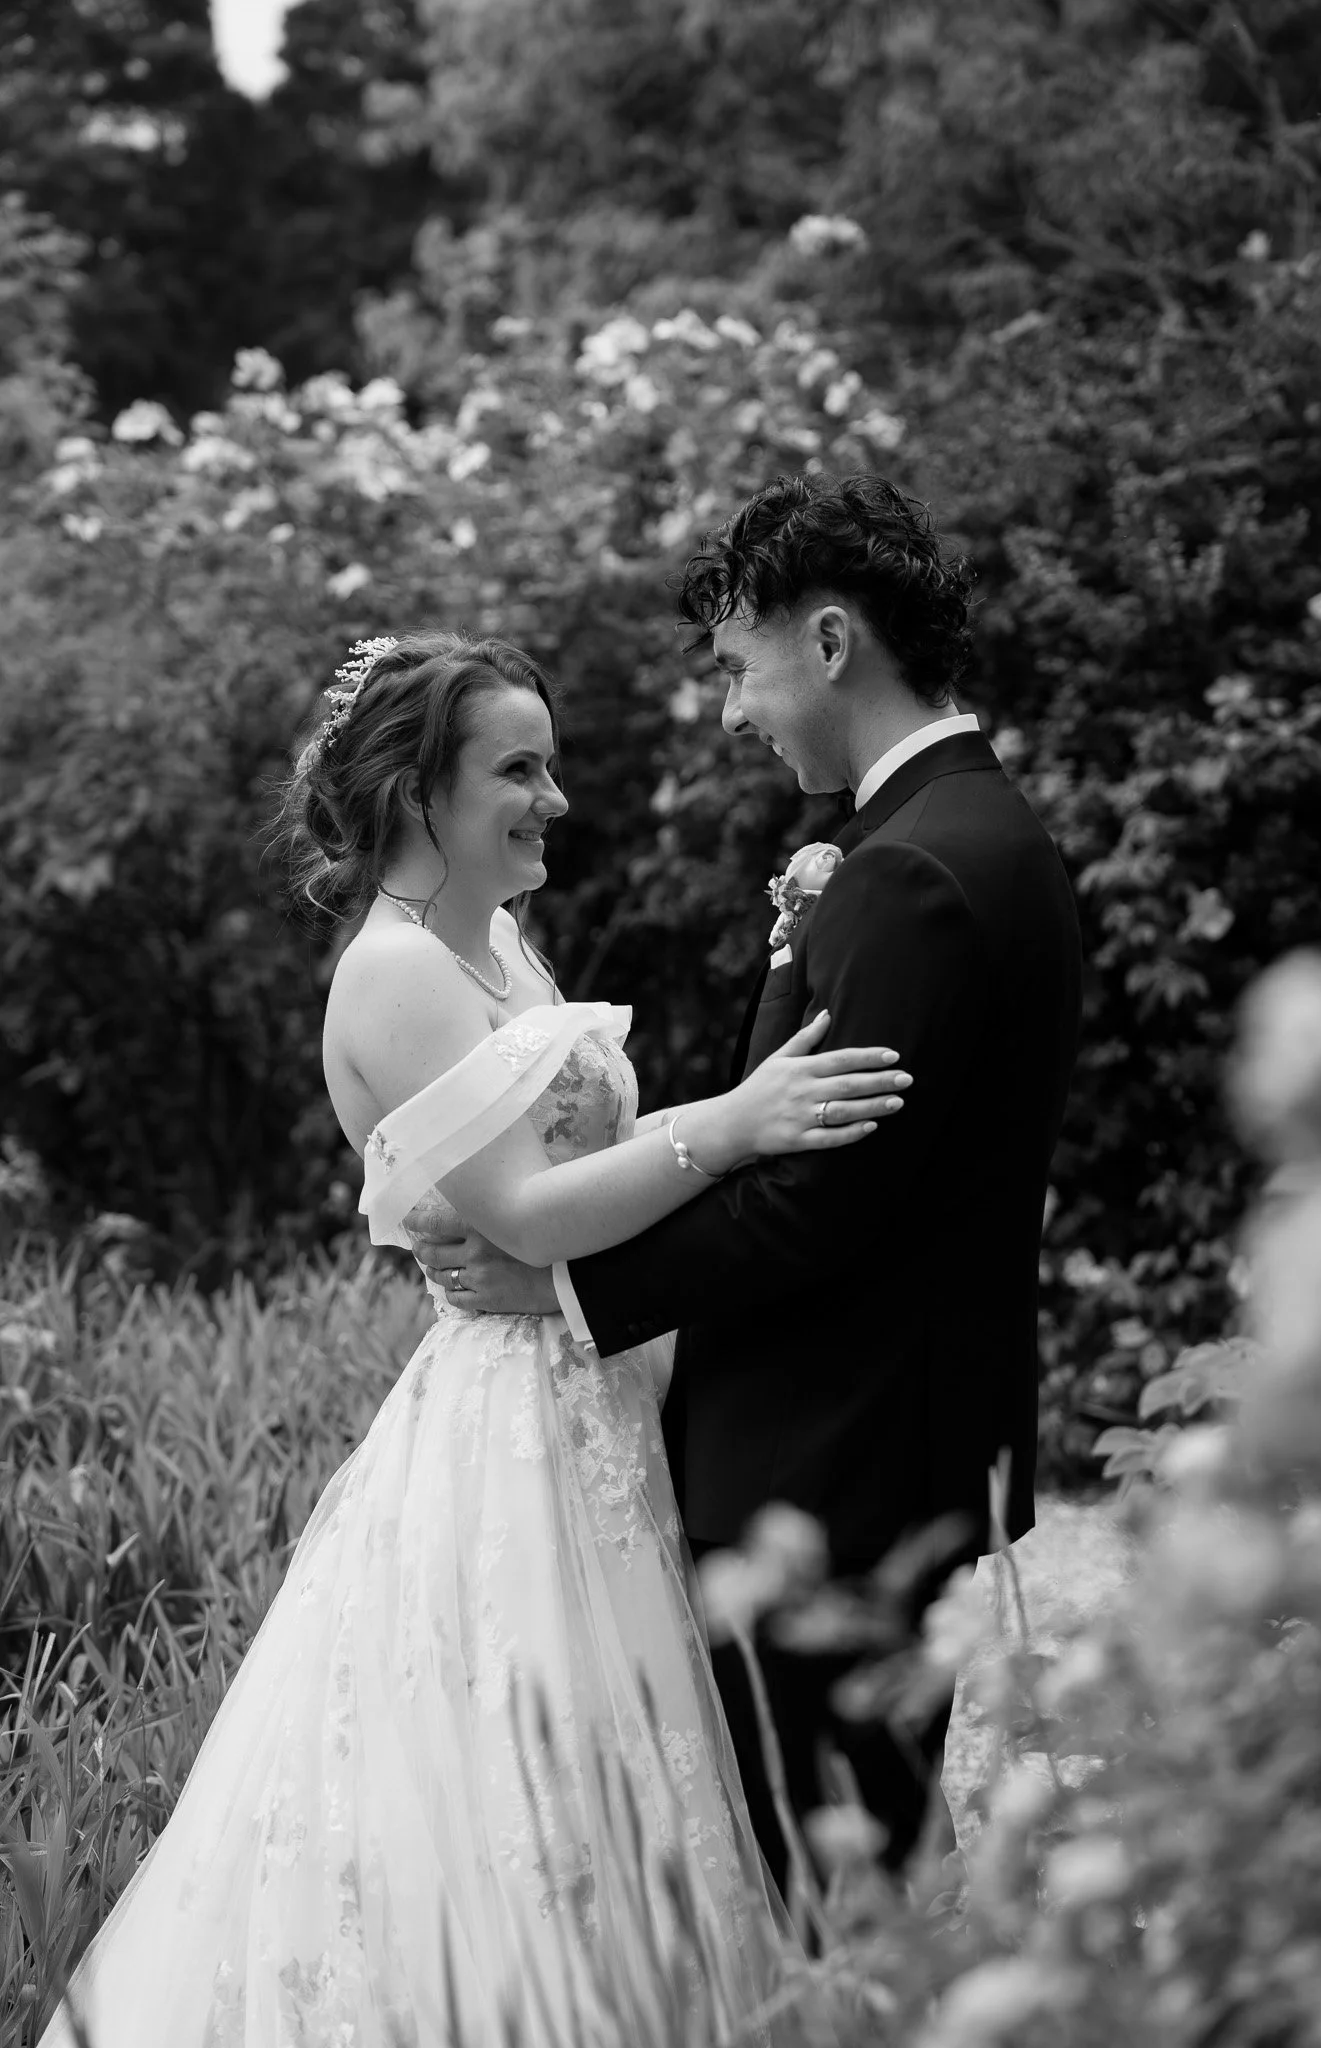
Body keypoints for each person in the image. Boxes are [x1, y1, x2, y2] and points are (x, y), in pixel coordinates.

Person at [39, 630, 909, 2048]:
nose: (555, 797)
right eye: (519, 768)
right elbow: (529, 1209)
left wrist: (693, 1143)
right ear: (414, 794)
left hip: (597, 1387)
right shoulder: (389, 974)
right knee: (517, 1784)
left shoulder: (494, 943)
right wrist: (730, 1126)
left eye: (550, 764)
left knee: (638, 1779)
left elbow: (577, 1177)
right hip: (507, 1424)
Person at [413, 475, 1085, 1889]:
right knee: (859, 1861)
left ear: (830, 643)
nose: (733, 708)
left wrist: (561, 1285)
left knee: (829, 1885)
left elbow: (815, 1199)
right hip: (886, 1444)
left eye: (739, 666)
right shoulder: (978, 837)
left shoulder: (912, 871)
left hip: (829, 1462)